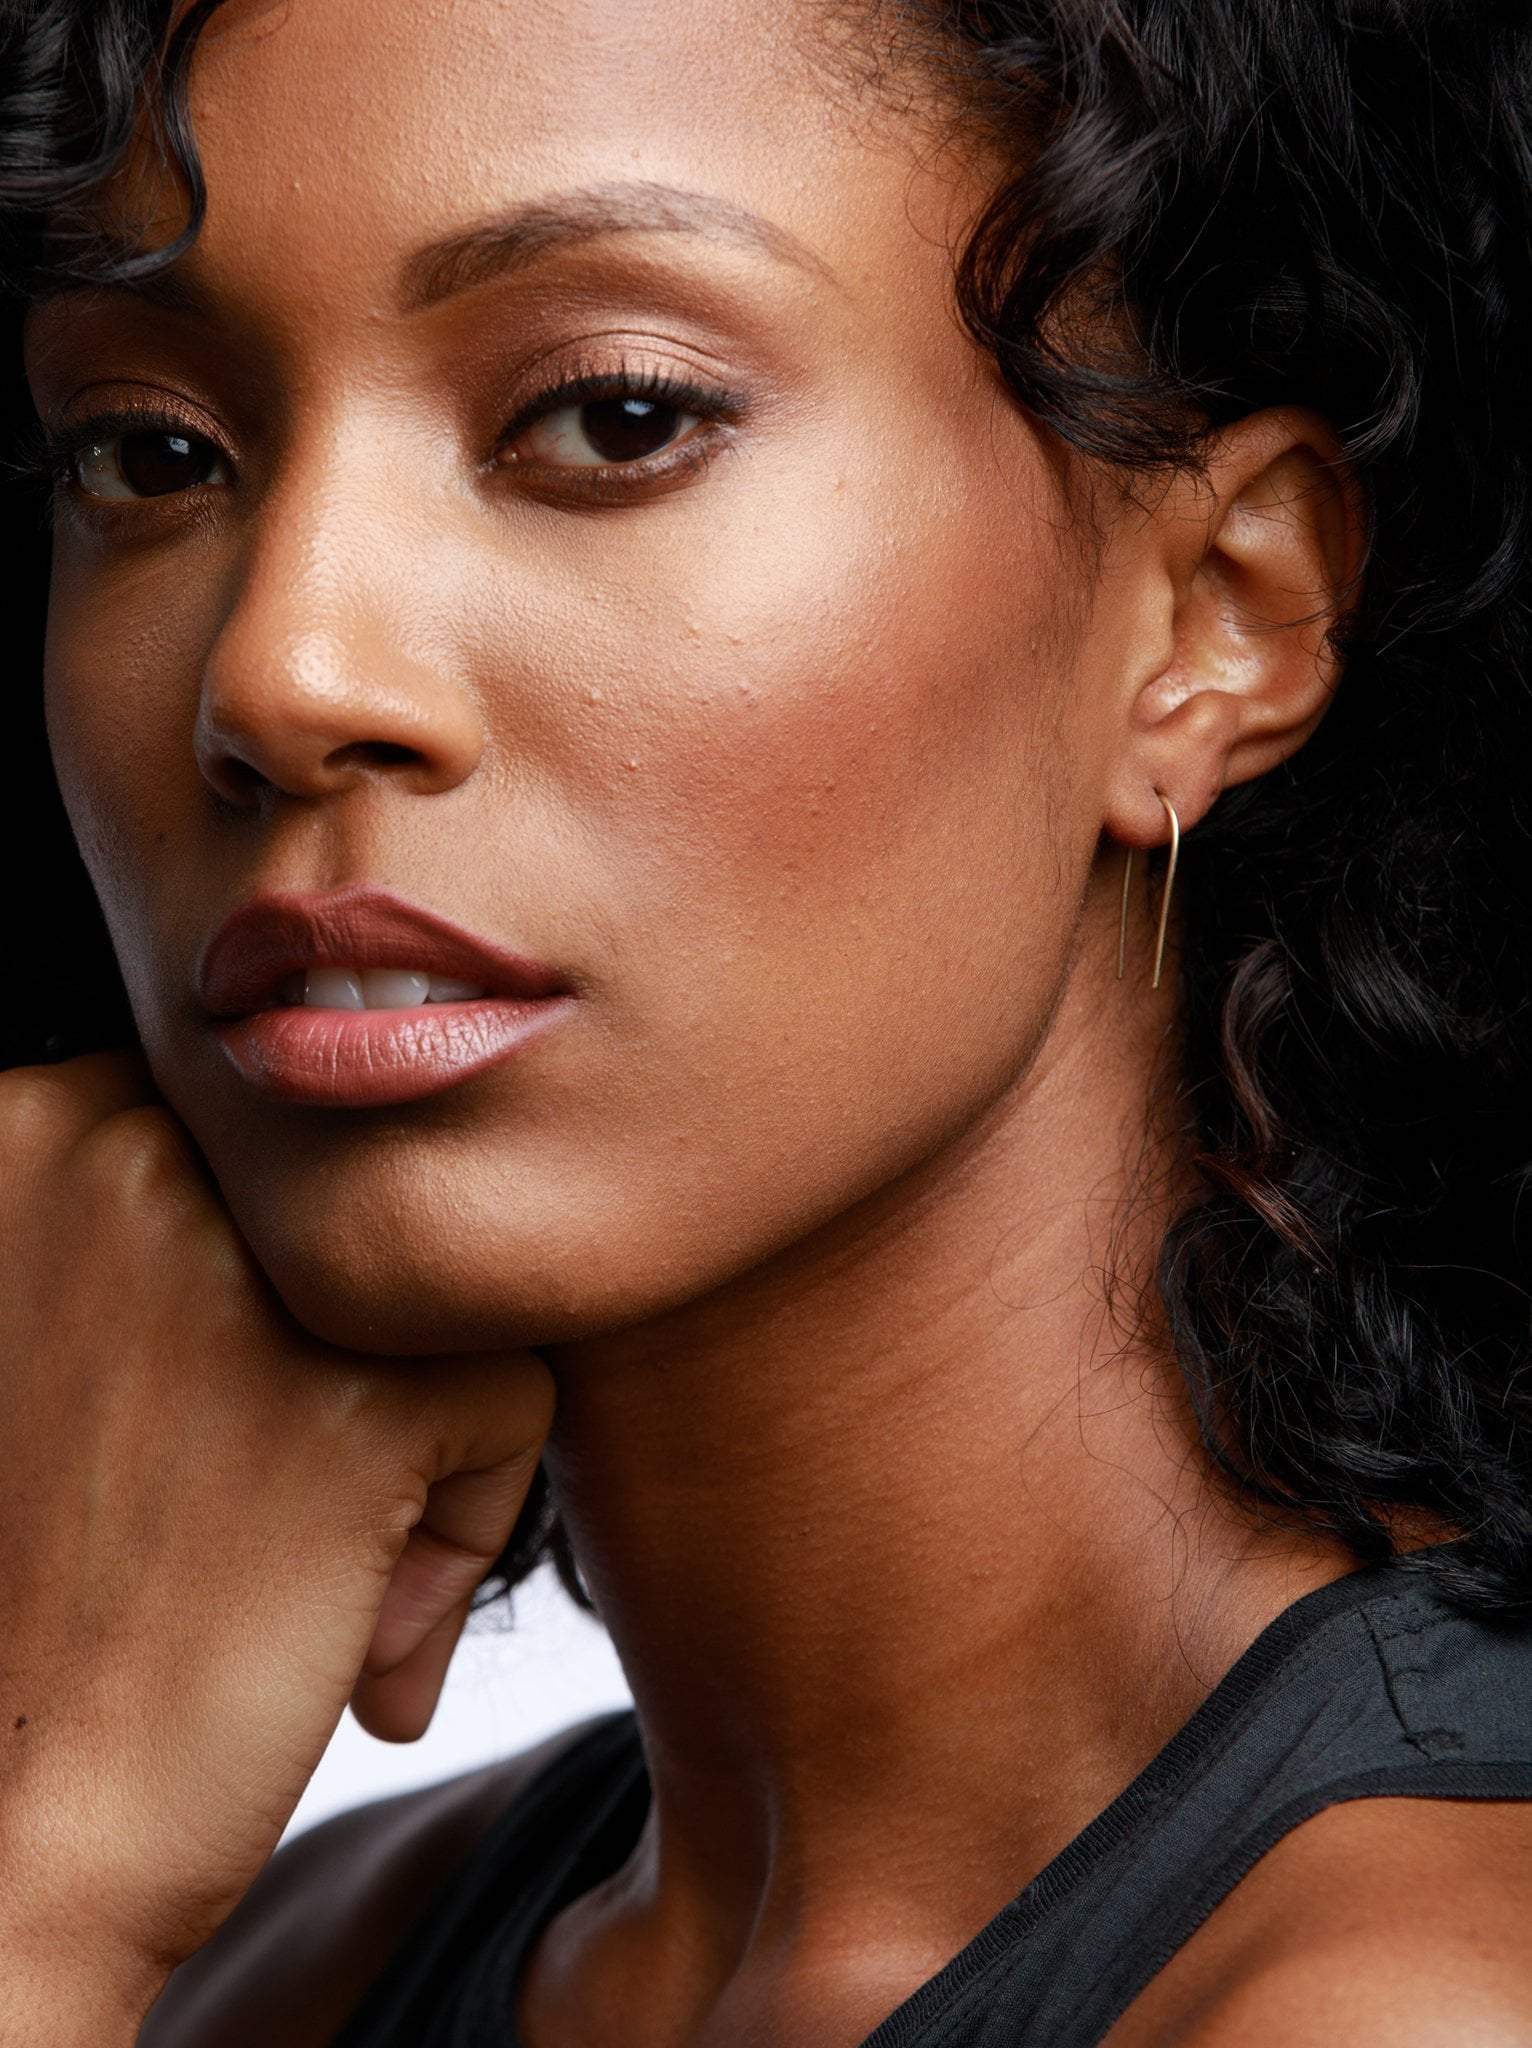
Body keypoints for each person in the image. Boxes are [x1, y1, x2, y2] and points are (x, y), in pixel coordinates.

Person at [1, 0, 1529, 2042]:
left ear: (1215, 614)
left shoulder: (1417, 1997)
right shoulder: (299, 1956)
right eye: (151, 452)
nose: (280, 671)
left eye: (613, 416)